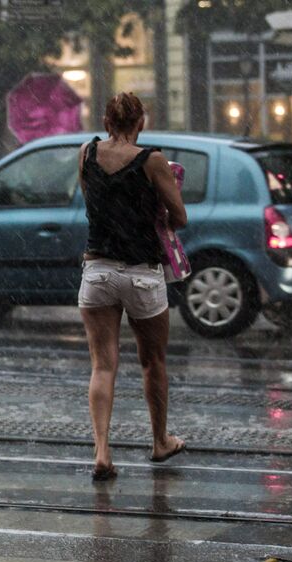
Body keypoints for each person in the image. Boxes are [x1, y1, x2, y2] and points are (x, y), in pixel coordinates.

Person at [77, 92, 187, 482]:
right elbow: (180, 217)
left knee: (102, 365)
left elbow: (95, 202)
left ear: (107, 123)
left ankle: (103, 452)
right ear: (140, 123)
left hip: (98, 270)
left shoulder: (86, 153)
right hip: (142, 271)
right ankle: (160, 441)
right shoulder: (153, 160)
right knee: (152, 361)